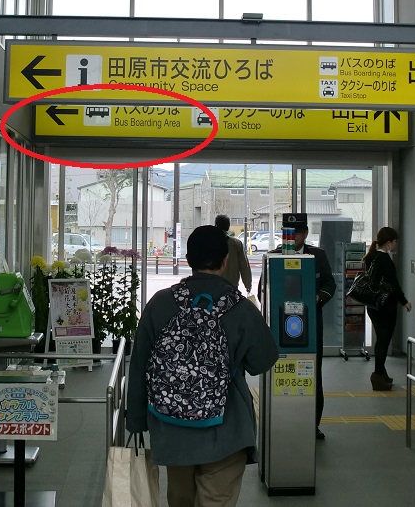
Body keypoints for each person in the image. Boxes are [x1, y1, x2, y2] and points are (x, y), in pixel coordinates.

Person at [126, 225, 278, 507]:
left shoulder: (161, 303)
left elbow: (138, 367)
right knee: (216, 499)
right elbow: (263, 361)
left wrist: (136, 420)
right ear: (225, 261)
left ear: (188, 259)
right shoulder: (240, 307)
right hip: (226, 430)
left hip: (172, 427)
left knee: (180, 498)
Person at [269, 214, 336, 439]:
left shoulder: (317, 255)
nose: (291, 236)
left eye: (296, 232)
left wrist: (317, 298)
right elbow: (263, 288)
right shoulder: (274, 256)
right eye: (287, 231)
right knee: (282, 371)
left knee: (312, 373)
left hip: (311, 322)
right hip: (281, 325)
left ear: (305, 233)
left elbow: (330, 284)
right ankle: (282, 424)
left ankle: (313, 424)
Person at [364, 226, 412, 391]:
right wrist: (404, 301)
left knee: (381, 339)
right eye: (395, 241)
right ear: (389, 243)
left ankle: (382, 372)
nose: (396, 244)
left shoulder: (371, 257)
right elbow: (394, 284)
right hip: (386, 307)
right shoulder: (385, 259)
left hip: (373, 305)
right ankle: (377, 375)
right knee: (384, 340)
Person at [215, 214, 252, 294]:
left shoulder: (210, 243)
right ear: (228, 227)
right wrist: (248, 284)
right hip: (232, 285)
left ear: (216, 226)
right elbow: (244, 265)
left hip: (214, 284)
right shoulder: (236, 244)